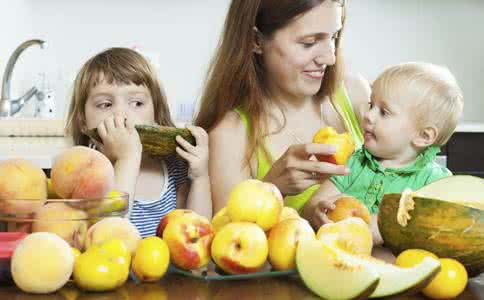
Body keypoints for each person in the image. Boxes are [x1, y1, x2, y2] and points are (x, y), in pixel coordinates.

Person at [194, 0, 371, 213]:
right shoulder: (230, 134)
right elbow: (229, 237)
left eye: (333, 37)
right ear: (256, 40)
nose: (330, 58)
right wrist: (272, 188)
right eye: (309, 42)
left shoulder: (354, 94)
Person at [303, 62, 464, 243]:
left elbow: (440, 231)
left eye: (384, 112)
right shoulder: (355, 163)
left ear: (423, 136)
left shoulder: (435, 182)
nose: (368, 115)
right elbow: (311, 205)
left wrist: (380, 227)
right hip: (342, 260)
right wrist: (316, 211)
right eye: (371, 105)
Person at [65, 47, 212, 237]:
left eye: (137, 103)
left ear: (156, 114)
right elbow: (108, 238)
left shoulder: (174, 168)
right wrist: (127, 159)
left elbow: (198, 234)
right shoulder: (83, 175)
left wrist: (200, 177)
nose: (122, 115)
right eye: (105, 104)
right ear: (82, 121)